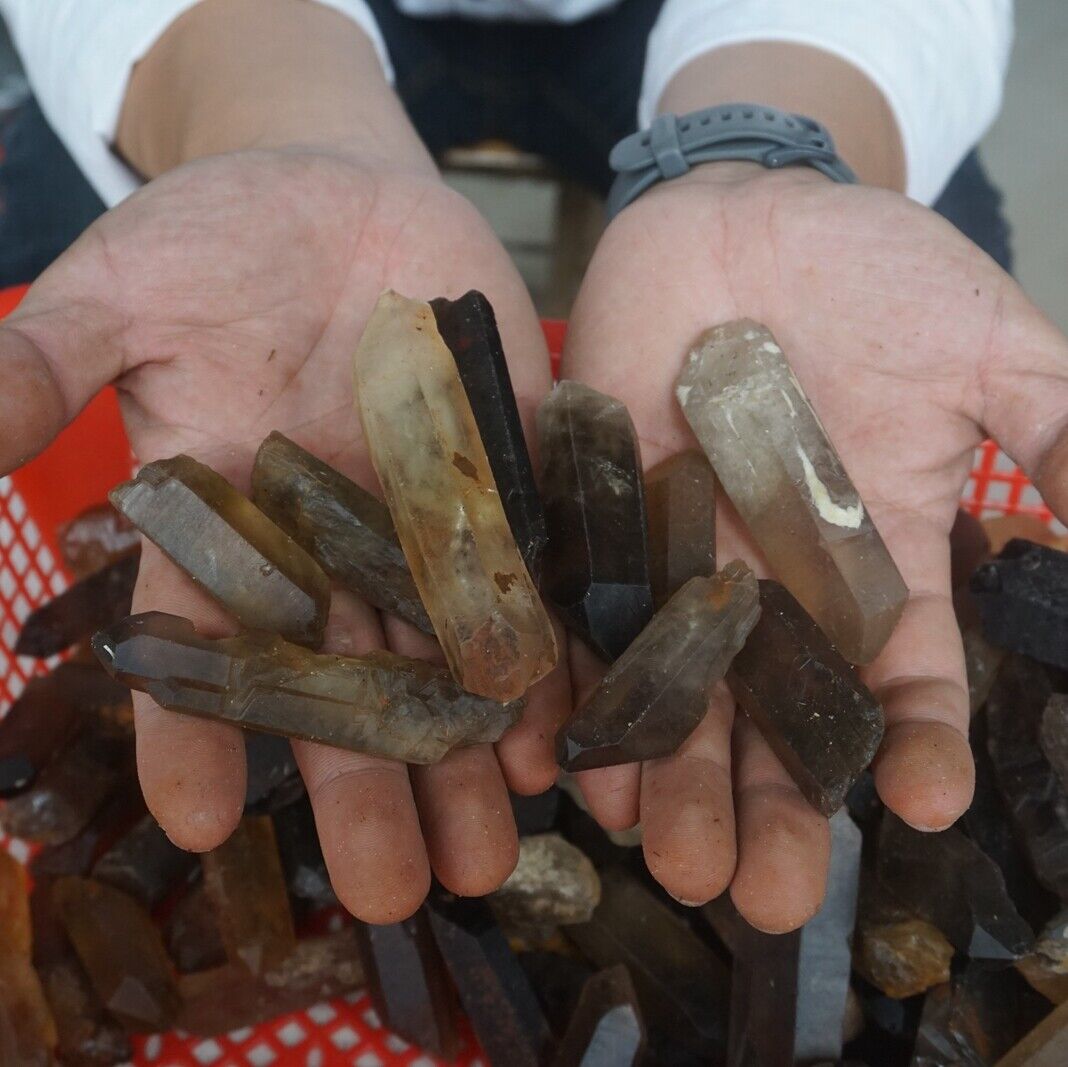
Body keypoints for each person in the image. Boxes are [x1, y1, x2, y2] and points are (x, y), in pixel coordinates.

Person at [0, 0, 1056, 936]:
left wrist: (758, 147)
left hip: (752, 31)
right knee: (38, 236)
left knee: (950, 246)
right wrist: (277, 118)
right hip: (247, 31)